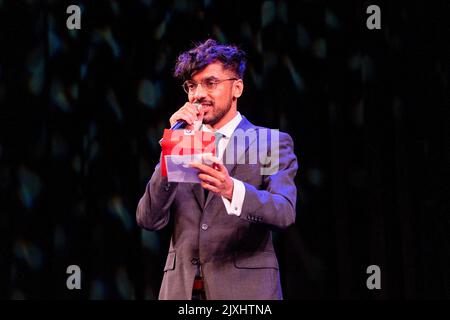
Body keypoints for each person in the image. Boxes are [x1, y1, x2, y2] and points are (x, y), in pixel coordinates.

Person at [136, 39, 298, 300]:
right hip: (182, 293)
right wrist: (171, 151)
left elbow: (284, 211)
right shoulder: (182, 143)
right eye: (192, 86)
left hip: (245, 293)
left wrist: (232, 190)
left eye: (210, 83)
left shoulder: (270, 143)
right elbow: (148, 218)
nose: (198, 94)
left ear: (237, 88)